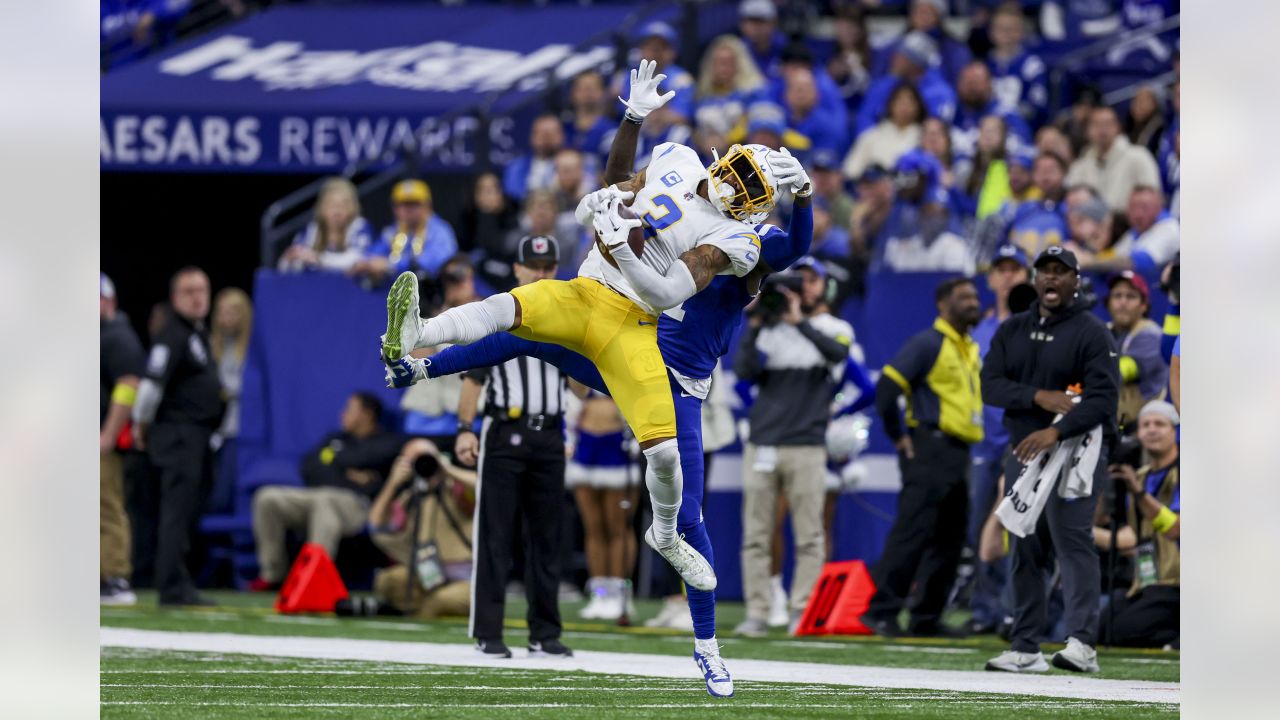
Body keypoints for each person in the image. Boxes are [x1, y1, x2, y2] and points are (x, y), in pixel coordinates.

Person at [390, 88, 816, 696]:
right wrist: (626, 156)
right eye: (734, 170)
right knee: (524, 330)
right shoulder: (680, 171)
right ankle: (420, 366)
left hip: (676, 380)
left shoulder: (747, 241)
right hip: (626, 339)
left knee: (687, 515)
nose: (733, 183)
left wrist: (803, 198)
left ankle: (708, 645)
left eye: (750, 183)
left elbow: (782, 251)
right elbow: (625, 190)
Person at [981, 246, 1120, 674]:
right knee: (1024, 542)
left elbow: (1104, 399)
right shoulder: (1013, 330)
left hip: (1077, 449)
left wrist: (1057, 429)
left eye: (1062, 272)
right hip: (1026, 449)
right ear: (1035, 277)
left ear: (1076, 280)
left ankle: (1082, 644)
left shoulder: (1093, 332)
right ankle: (1025, 647)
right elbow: (990, 386)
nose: (1052, 279)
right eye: (1046, 271)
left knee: (1072, 539)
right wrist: (1038, 398)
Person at [453, 234, 575, 660]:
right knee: (496, 535)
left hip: (550, 435)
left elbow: (579, 384)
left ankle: (545, 631)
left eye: (548, 267)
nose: (541, 274)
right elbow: (473, 375)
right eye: (534, 267)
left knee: (547, 538)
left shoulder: (568, 310)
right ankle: (488, 631)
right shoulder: (500, 310)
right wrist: (465, 428)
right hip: (505, 431)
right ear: (519, 269)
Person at [734, 257, 853, 636]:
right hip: (764, 441)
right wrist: (755, 322)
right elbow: (744, 370)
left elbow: (838, 356)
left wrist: (798, 321)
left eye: (811, 279)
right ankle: (759, 610)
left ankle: (804, 609)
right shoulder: (768, 326)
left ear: (823, 287)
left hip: (806, 445)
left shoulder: (836, 327)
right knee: (755, 534)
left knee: (809, 534)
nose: (802, 286)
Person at [861, 277, 984, 638]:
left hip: (958, 452)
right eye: (964, 297)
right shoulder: (928, 343)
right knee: (912, 532)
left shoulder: (968, 347)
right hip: (930, 447)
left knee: (950, 538)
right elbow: (886, 388)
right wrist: (899, 436)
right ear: (942, 304)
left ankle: (926, 616)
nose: (973, 302)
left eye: (975, 296)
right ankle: (881, 611)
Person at [132, 266, 224, 607]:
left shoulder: (194, 333)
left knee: (186, 511)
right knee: (176, 511)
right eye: (189, 291)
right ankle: (171, 586)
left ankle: (178, 580)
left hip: (195, 436)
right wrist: (142, 424)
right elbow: (151, 384)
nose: (198, 297)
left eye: (202, 289)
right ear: (174, 298)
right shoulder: (172, 333)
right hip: (178, 434)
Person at [249, 393, 403, 590]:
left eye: (349, 409)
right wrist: (350, 475)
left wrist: (335, 462)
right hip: (317, 496)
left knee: (325, 501)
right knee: (267, 497)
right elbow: (310, 468)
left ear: (367, 414)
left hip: (358, 505)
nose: (343, 414)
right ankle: (272, 574)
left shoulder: (387, 442)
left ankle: (311, 579)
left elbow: (365, 467)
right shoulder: (335, 439)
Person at [1096, 400, 1180, 648]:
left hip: (1176, 582)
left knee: (1125, 631)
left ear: (1174, 431)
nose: (1152, 430)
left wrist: (1139, 493)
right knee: (1100, 631)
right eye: (1145, 425)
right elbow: (1128, 535)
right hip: (1144, 582)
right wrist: (1105, 477)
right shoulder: (1138, 475)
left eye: (1160, 424)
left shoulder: (1183, 472)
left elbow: (1177, 528)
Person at [367, 438, 476, 620]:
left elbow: (483, 487)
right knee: (387, 581)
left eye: (426, 458)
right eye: (414, 461)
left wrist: (446, 469)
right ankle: (425, 608)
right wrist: (393, 483)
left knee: (441, 600)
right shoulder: (411, 497)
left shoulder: (457, 488)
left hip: (466, 580)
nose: (424, 464)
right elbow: (376, 525)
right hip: (428, 576)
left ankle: (422, 615)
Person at [566, 393, 636, 622]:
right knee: (593, 528)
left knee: (618, 527)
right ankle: (600, 594)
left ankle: (619, 594)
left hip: (618, 440)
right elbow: (574, 388)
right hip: (585, 441)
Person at [100, 273, 145, 605]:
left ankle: (114, 578)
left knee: (105, 506)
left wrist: (108, 434)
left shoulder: (117, 335)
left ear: (108, 300)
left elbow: (129, 385)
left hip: (102, 438)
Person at [355, 180, 459, 284]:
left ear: (428, 205)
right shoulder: (393, 230)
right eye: (402, 204)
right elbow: (375, 253)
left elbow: (438, 262)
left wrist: (391, 265)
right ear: (394, 208)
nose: (408, 209)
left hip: (430, 291)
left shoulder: (440, 230)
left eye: (414, 204)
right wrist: (369, 264)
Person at [855, 32, 957, 137]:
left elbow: (938, 131)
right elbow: (865, 118)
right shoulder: (883, 84)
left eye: (902, 56)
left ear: (915, 63)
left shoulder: (940, 92)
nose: (895, 58)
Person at [1105, 271, 1169, 433]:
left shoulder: (1151, 335)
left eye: (1131, 296)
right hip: (1110, 427)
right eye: (1117, 296)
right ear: (1108, 303)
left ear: (1144, 305)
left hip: (1142, 431)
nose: (1123, 302)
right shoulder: (1103, 331)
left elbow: (1121, 372)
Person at [207, 287, 252, 515]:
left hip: (238, 431)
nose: (225, 318)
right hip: (214, 432)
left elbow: (243, 388)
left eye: (232, 312)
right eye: (221, 312)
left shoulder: (252, 350)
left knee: (226, 495)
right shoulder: (211, 346)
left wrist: (222, 390)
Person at [1065, 106, 1161, 213]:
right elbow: (1070, 201)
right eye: (1096, 124)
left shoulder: (1139, 156)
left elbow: (1153, 196)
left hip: (1129, 223)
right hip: (1091, 225)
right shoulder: (1081, 165)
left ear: (1118, 127)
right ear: (1088, 131)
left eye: (1107, 124)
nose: (1102, 129)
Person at [1073, 186, 1179, 279]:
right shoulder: (1135, 232)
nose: (1138, 214)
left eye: (1144, 208)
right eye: (1133, 207)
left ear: (1159, 208)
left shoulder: (1169, 229)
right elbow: (1113, 256)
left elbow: (1134, 263)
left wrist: (1087, 262)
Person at [278, 177, 374, 273]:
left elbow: (358, 261)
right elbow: (285, 266)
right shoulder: (312, 230)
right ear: (321, 207)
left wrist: (319, 259)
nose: (337, 211)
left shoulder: (360, 227)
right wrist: (290, 259)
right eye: (331, 205)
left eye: (343, 205)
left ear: (352, 207)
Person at [694, 34, 768, 153]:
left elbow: (758, 122)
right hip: (708, 157)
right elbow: (695, 128)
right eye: (719, 62)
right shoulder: (703, 96)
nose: (723, 67)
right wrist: (702, 141)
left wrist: (728, 139)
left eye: (729, 62)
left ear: (740, 63)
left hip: (745, 154)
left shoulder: (753, 92)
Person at [872, 0, 973, 85]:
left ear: (939, 17)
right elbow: (879, 80)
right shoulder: (894, 47)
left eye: (928, 12)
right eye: (919, 11)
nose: (923, 17)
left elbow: (958, 81)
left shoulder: (955, 50)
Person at [841, 82, 924, 182]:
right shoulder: (871, 136)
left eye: (910, 101)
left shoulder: (925, 137)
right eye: (900, 100)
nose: (904, 105)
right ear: (890, 104)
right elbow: (850, 172)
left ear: (918, 106)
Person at [987, 2, 1048, 126]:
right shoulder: (984, 66)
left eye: (1012, 29)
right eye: (1001, 29)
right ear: (992, 33)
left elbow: (1037, 105)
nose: (1006, 34)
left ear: (1021, 32)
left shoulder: (1032, 65)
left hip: (1022, 128)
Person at [458, 172, 520, 291]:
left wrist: (489, 214)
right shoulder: (466, 219)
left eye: (494, 189)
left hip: (506, 280)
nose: (490, 195)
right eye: (484, 190)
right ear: (475, 195)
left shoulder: (513, 216)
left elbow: (501, 247)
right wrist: (485, 214)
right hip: (476, 283)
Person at [503, 114, 566, 203]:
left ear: (562, 136)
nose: (547, 139)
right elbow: (512, 195)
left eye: (551, 134)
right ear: (532, 137)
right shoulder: (516, 167)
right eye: (542, 134)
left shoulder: (576, 162)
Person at [563, 70, 615, 168]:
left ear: (603, 92)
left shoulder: (611, 132)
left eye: (592, 88)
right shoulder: (564, 129)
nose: (587, 93)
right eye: (583, 89)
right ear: (573, 94)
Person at [737, 0, 785, 79]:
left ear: (773, 22)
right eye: (751, 21)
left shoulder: (787, 48)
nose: (756, 27)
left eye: (762, 21)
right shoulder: (737, 49)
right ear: (742, 24)